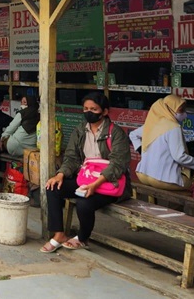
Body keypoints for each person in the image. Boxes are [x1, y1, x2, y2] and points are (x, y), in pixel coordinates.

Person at [41, 92, 130, 252]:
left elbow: (118, 164)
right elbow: (71, 157)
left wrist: (95, 185)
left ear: (104, 111)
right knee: (52, 187)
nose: (89, 112)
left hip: (109, 183)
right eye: (86, 108)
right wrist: (60, 174)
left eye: (94, 109)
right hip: (85, 178)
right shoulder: (80, 131)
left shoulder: (116, 132)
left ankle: (82, 238)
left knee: (83, 204)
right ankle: (59, 234)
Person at [133, 94, 194, 191]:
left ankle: (171, 206)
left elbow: (133, 135)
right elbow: (179, 157)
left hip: (142, 174)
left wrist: (142, 150)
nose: (184, 114)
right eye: (181, 110)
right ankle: (175, 207)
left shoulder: (153, 123)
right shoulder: (174, 128)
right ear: (170, 109)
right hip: (162, 179)